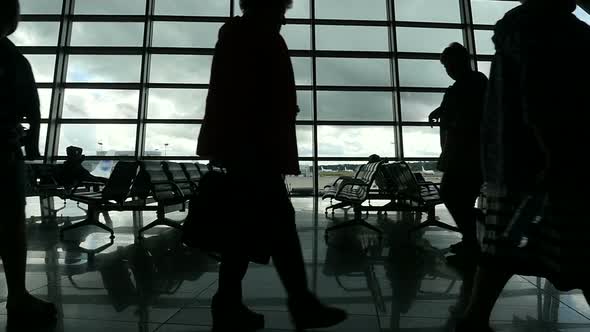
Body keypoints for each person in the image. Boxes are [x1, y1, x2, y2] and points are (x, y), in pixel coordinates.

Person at [196, 0, 347, 331]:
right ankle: (297, 303)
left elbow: (229, 96)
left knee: (245, 231)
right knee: (279, 225)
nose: (283, 18)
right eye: (280, 10)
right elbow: (246, 98)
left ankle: (228, 303)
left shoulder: (240, 35)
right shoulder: (252, 35)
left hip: (247, 150)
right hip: (253, 151)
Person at [457, 0, 590, 330]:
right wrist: (554, 152)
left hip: (511, 164)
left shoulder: (517, 31)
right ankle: (473, 318)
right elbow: (544, 97)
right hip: (552, 164)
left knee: (502, 245)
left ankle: (474, 317)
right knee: (578, 245)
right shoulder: (554, 31)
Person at [0, 0, 58, 329]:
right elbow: (31, 106)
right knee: (11, 223)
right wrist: (31, 141)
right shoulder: (12, 57)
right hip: (3, 153)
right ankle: (18, 296)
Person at [428, 43, 488, 263]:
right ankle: (471, 240)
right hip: (462, 154)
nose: (449, 70)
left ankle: (473, 242)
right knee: (459, 198)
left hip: (466, 155)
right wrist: (441, 111)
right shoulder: (470, 84)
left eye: (450, 65)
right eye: (446, 67)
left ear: (462, 62)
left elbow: (468, 115)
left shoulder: (471, 85)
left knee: (451, 195)